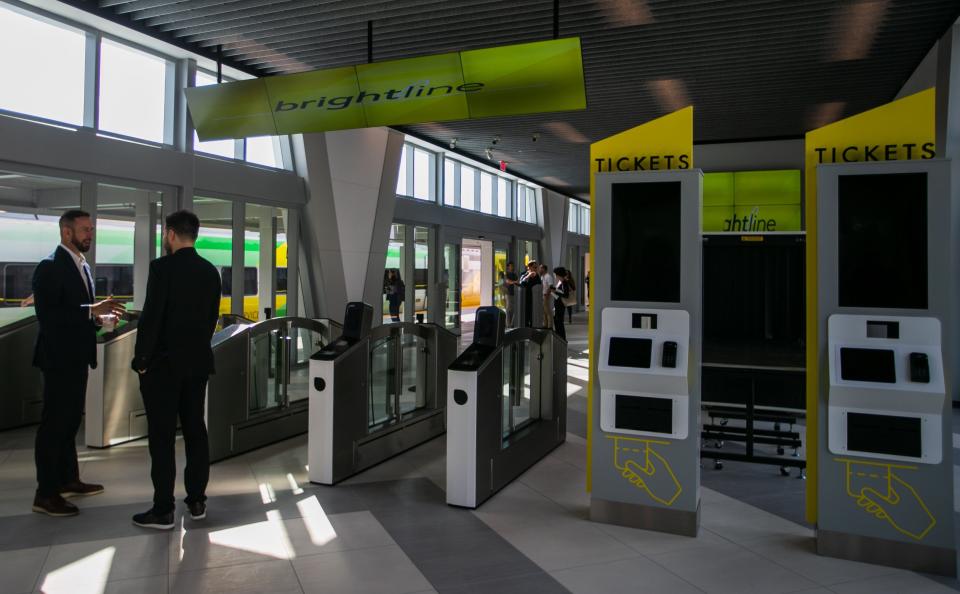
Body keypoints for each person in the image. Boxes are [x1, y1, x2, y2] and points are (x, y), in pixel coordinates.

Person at [31, 210, 126, 517]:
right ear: (66, 232)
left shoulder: (81, 265)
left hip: (76, 358)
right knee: (54, 425)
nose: (90, 234)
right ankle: (45, 493)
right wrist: (90, 309)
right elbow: (49, 316)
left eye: (91, 229)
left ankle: (68, 479)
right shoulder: (49, 267)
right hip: (58, 359)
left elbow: (74, 312)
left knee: (70, 421)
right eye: (84, 230)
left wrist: (99, 317)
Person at [131, 210, 222, 530]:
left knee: (162, 436)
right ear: (193, 234)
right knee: (196, 430)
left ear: (170, 234)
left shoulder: (162, 268)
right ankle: (197, 500)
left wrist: (141, 360)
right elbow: (212, 318)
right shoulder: (211, 271)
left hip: (163, 367)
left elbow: (152, 318)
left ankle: (163, 509)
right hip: (197, 363)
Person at [518, 261, 540, 328]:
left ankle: (532, 328)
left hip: (534, 297)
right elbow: (521, 283)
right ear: (529, 267)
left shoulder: (537, 276)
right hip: (525, 297)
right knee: (525, 314)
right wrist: (529, 275)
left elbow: (539, 285)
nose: (536, 269)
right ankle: (526, 327)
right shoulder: (524, 274)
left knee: (533, 314)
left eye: (536, 267)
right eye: (534, 267)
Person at [553, 267, 570, 340]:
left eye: (556, 274)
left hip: (561, 305)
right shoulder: (561, 282)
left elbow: (566, 294)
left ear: (559, 274)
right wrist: (554, 291)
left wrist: (555, 291)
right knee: (557, 321)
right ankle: (560, 337)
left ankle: (562, 338)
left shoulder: (564, 282)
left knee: (559, 322)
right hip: (558, 304)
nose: (555, 276)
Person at [503, 262, 519, 327]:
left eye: (513, 266)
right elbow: (507, 281)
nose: (512, 267)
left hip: (515, 293)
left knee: (514, 309)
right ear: (508, 267)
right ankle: (508, 324)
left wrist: (512, 282)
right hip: (508, 293)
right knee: (508, 309)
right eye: (511, 266)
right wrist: (514, 282)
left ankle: (512, 324)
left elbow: (518, 281)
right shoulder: (506, 274)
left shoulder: (515, 274)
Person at [539, 264, 555, 330]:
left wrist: (547, 295)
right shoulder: (542, 277)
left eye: (540, 268)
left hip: (546, 295)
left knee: (548, 311)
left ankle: (550, 326)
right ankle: (545, 324)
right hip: (543, 295)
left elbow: (550, 286)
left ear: (544, 269)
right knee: (544, 311)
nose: (539, 270)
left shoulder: (548, 276)